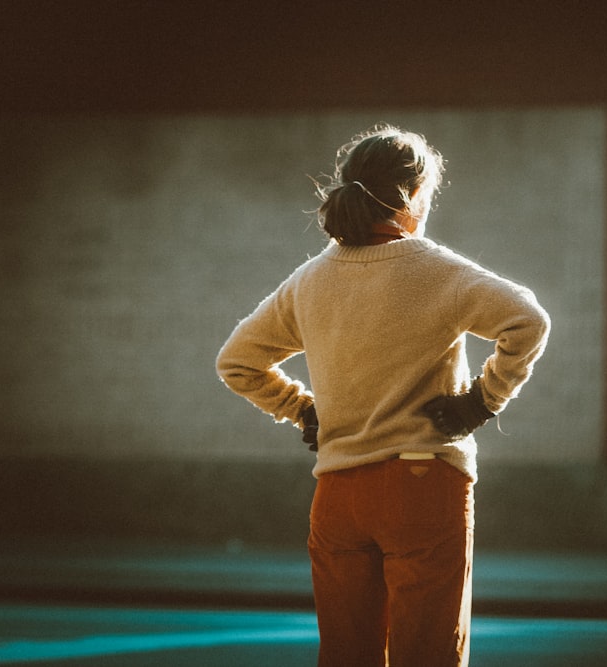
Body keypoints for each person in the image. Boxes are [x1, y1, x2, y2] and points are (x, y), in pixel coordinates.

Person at [216, 124, 550, 667]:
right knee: (429, 655)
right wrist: (480, 402)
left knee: (348, 656)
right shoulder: (436, 270)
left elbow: (237, 362)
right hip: (423, 486)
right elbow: (528, 321)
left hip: (337, 495)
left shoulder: (309, 281)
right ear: (414, 195)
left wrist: (302, 409)